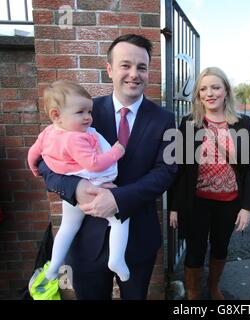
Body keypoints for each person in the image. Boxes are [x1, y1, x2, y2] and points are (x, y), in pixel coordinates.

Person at [37, 34, 177, 300]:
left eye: (142, 67)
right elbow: (45, 163)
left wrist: (118, 198)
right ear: (110, 69)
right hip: (86, 241)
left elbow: (167, 171)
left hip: (138, 240)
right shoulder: (80, 111)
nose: (134, 74)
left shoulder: (166, 119)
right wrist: (75, 187)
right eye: (125, 65)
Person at [169, 67, 250, 300]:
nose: (210, 93)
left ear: (226, 91)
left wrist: (247, 207)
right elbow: (179, 170)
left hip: (229, 202)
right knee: (195, 249)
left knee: (220, 247)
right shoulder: (189, 123)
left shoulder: (243, 123)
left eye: (216, 87)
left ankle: (213, 287)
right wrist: (175, 207)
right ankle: (192, 293)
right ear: (198, 95)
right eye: (204, 89)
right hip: (196, 202)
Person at [28, 80, 131, 282]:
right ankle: (117, 259)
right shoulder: (75, 138)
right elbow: (94, 163)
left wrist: (33, 168)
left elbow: (34, 153)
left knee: (67, 227)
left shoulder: (48, 132)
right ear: (56, 115)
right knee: (120, 218)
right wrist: (116, 152)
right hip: (94, 183)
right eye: (80, 112)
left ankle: (53, 267)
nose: (88, 117)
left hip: (72, 193)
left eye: (89, 112)